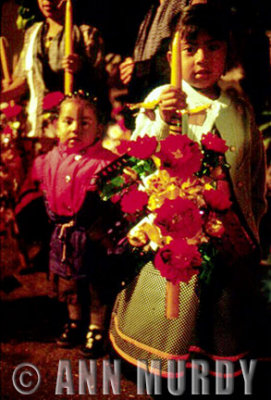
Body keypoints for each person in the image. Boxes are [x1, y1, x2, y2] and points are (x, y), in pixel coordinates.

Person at [109, 3, 268, 392]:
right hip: (177, 238)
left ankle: (215, 370)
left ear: (226, 54)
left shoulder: (239, 107)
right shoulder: (163, 102)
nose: (202, 59)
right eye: (190, 48)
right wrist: (162, 118)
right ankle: (165, 369)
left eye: (213, 47)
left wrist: (253, 223)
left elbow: (252, 173)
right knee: (175, 314)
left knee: (223, 312)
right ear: (171, 57)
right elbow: (144, 155)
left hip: (228, 236)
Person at [17, 92, 115, 356]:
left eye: (84, 123)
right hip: (61, 235)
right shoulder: (47, 159)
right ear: (56, 125)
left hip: (92, 235)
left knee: (96, 283)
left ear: (98, 129)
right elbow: (35, 188)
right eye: (68, 121)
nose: (75, 128)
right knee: (67, 282)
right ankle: (74, 319)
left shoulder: (107, 162)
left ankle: (96, 326)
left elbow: (117, 199)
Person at [0, 0, 109, 137]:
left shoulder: (86, 34)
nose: (48, 2)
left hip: (72, 126)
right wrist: (4, 96)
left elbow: (99, 82)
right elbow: (24, 79)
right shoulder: (32, 33)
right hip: (37, 124)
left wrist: (81, 67)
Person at [119, 0, 189, 103]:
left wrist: (138, 69)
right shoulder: (151, 9)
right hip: (149, 101)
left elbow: (181, 56)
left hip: (173, 100)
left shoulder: (183, 4)